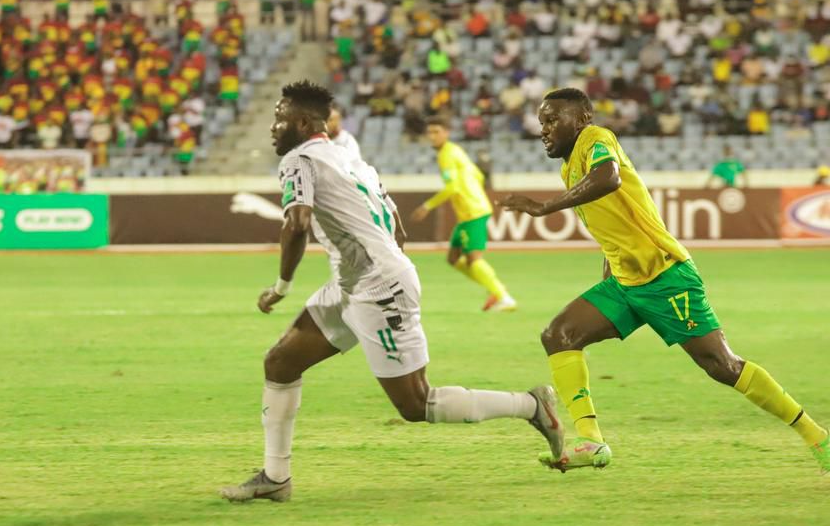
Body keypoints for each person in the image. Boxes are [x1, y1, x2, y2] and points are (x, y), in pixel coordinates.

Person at [220, 81, 563, 503]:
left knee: (417, 405)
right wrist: (373, 265)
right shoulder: (351, 159)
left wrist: (282, 287)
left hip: (375, 287)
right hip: (356, 284)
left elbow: (297, 223)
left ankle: (531, 405)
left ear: (304, 123)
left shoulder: (299, 159)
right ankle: (276, 478)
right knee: (281, 362)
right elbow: (397, 226)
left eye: (279, 117)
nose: (273, 126)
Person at [500, 88, 828, 474]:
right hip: (625, 282)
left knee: (722, 366)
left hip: (666, 277)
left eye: (553, 120)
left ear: (583, 118)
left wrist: (544, 208)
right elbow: (616, 219)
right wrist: (610, 264)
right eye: (542, 122)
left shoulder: (597, 139)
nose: (545, 129)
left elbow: (609, 179)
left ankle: (817, 436)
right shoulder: (568, 166)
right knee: (559, 335)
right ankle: (591, 440)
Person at [411, 117, 517, 312]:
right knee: (453, 257)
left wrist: (427, 206)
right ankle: (496, 288)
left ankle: (503, 297)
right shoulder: (455, 150)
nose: (432, 136)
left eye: (437, 132)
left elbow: (451, 187)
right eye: (430, 132)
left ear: (446, 132)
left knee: (473, 257)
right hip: (472, 209)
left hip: (472, 211)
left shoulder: (446, 155)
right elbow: (478, 174)